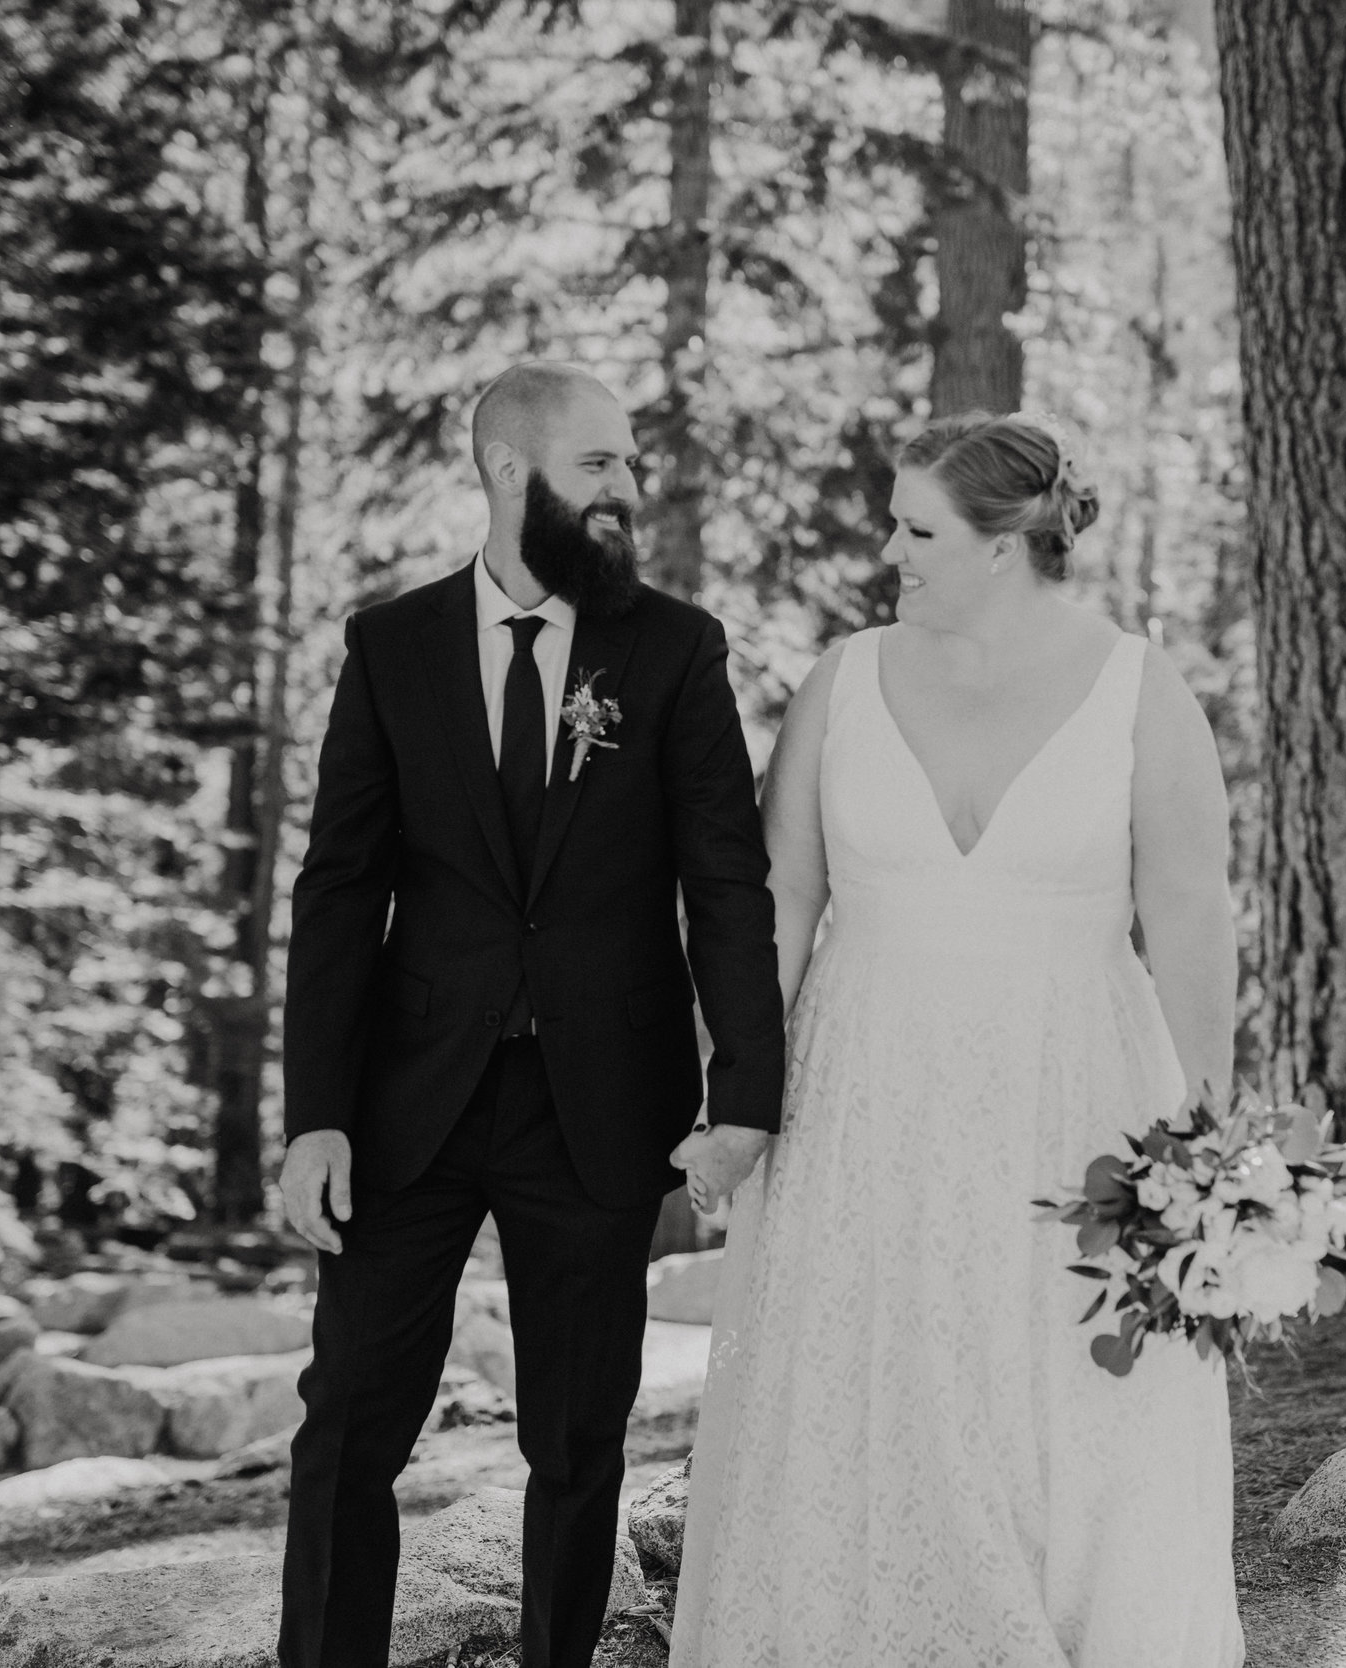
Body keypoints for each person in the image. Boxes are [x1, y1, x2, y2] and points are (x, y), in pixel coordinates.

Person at [670, 412, 1246, 1666]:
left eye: (917, 528)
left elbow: (1192, 925)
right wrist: (738, 1098)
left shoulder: (1141, 689)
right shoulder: (842, 680)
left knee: (1051, 1383)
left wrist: (1209, 1141)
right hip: (863, 1091)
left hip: (1072, 1085)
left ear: (1003, 545)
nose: (891, 551)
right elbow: (778, 904)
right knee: (870, 1378)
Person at [275, 362, 785, 1668]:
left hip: (599, 1106)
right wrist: (316, 1119)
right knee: (347, 1429)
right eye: (602, 464)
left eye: (632, 465)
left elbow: (724, 880)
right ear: (512, 472)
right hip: (408, 1106)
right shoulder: (391, 647)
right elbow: (340, 890)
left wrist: (745, 1100)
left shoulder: (673, 649)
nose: (630, 488)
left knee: (578, 1441)